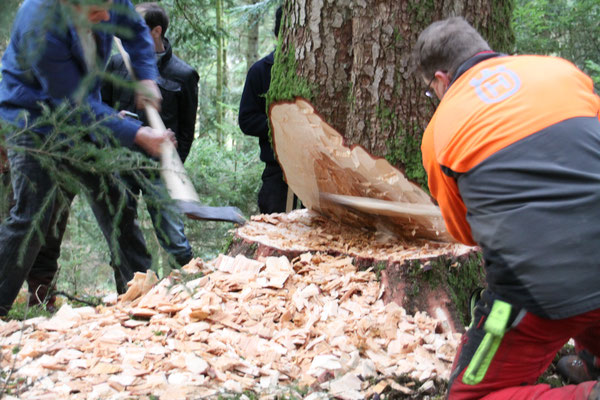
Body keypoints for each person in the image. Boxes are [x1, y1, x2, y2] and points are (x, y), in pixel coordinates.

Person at [413, 17, 600, 400]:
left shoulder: (439, 133)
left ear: (441, 79)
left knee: (472, 396)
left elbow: (466, 232)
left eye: (432, 93)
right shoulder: (561, 72)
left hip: (536, 288)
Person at [0, 0, 173, 315]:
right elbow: (73, 103)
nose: (107, 17)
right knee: (30, 217)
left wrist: (147, 76)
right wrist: (138, 134)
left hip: (85, 114)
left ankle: (146, 300)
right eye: (96, 13)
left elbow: (135, 30)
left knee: (117, 202)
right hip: (35, 121)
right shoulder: (40, 21)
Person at [101, 2, 198, 271]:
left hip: (160, 169)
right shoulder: (117, 63)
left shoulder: (183, 74)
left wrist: (173, 164)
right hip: (121, 164)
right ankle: (129, 297)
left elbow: (187, 131)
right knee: (121, 237)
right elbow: (101, 107)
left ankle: (193, 292)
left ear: (156, 31)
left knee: (175, 240)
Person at [239, 6, 296, 214]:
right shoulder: (260, 71)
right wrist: (279, 126)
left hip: (317, 176)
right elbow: (246, 120)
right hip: (276, 171)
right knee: (274, 231)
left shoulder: (317, 72)